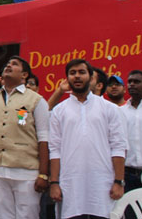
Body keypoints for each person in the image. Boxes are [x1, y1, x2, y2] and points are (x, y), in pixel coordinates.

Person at [49, 59, 127, 219]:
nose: (77, 76)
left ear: (91, 78)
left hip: (102, 184)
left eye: (81, 72)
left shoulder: (109, 109)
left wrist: (119, 181)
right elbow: (55, 149)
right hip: (70, 185)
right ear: (67, 78)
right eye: (72, 73)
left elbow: (118, 146)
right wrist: (54, 183)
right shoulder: (59, 111)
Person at [0, 56, 50, 219]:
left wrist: (44, 174)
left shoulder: (36, 100)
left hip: (27, 172)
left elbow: (44, 138)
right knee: (3, 215)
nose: (8, 66)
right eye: (7, 64)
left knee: (28, 216)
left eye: (14, 64)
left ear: (24, 75)